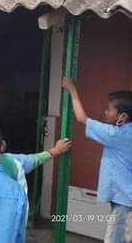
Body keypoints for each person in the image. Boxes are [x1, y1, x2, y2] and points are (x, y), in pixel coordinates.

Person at [62, 77, 132, 242]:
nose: (105, 112)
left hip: (124, 201)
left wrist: (72, 90)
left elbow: (81, 118)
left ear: (122, 116)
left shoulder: (116, 135)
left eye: (109, 109)